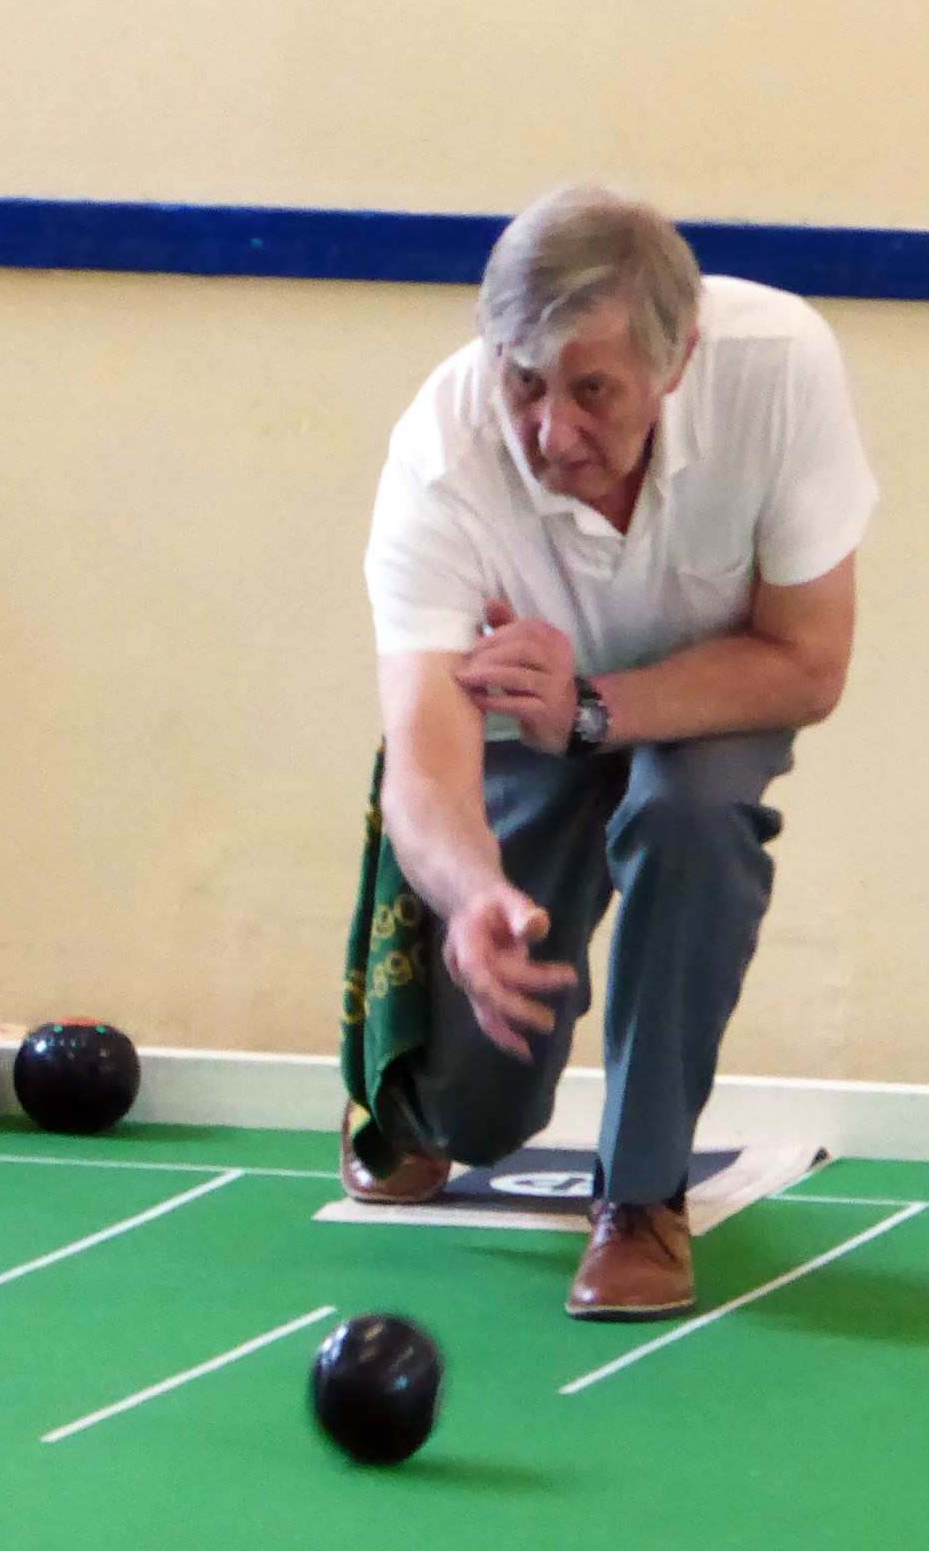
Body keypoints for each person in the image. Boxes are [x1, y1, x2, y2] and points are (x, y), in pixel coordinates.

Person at [351, 183, 877, 1321]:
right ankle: (421, 1103)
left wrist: (593, 707)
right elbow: (425, 761)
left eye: (592, 391)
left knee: (689, 813)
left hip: (703, 699)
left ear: (676, 360)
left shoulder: (779, 368)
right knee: (481, 1110)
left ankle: (641, 1198)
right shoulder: (439, 454)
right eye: (524, 383)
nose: (551, 433)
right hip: (521, 727)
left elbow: (808, 662)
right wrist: (474, 896)